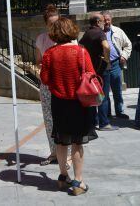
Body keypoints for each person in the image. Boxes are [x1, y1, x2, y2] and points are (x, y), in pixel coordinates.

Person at [40, 17, 97, 196]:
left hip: (59, 102)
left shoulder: (49, 53)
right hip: (79, 103)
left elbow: (44, 79)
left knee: (61, 140)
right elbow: (91, 75)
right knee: (77, 142)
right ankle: (78, 181)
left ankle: (63, 177)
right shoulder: (81, 52)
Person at [79, 13, 116, 131]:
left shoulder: (86, 34)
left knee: (92, 96)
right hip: (102, 70)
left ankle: (93, 122)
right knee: (102, 96)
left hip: (91, 71)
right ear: (97, 22)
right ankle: (104, 123)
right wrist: (107, 60)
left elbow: (80, 48)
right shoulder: (100, 33)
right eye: (102, 21)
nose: (104, 23)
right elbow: (106, 47)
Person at [35, 4, 59, 166]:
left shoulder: (66, 37)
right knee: (49, 119)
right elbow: (38, 62)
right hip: (46, 84)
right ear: (46, 24)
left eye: (57, 22)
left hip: (63, 84)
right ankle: (54, 152)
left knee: (64, 118)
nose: (54, 26)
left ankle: (68, 153)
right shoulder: (41, 39)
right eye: (51, 23)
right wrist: (40, 69)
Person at [101, 11, 132, 119]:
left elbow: (128, 45)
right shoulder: (98, 32)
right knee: (104, 91)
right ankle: (107, 113)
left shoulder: (118, 31)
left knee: (117, 89)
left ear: (111, 20)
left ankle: (119, 112)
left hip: (115, 64)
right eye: (104, 20)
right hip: (103, 65)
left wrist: (124, 56)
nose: (106, 22)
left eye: (108, 20)